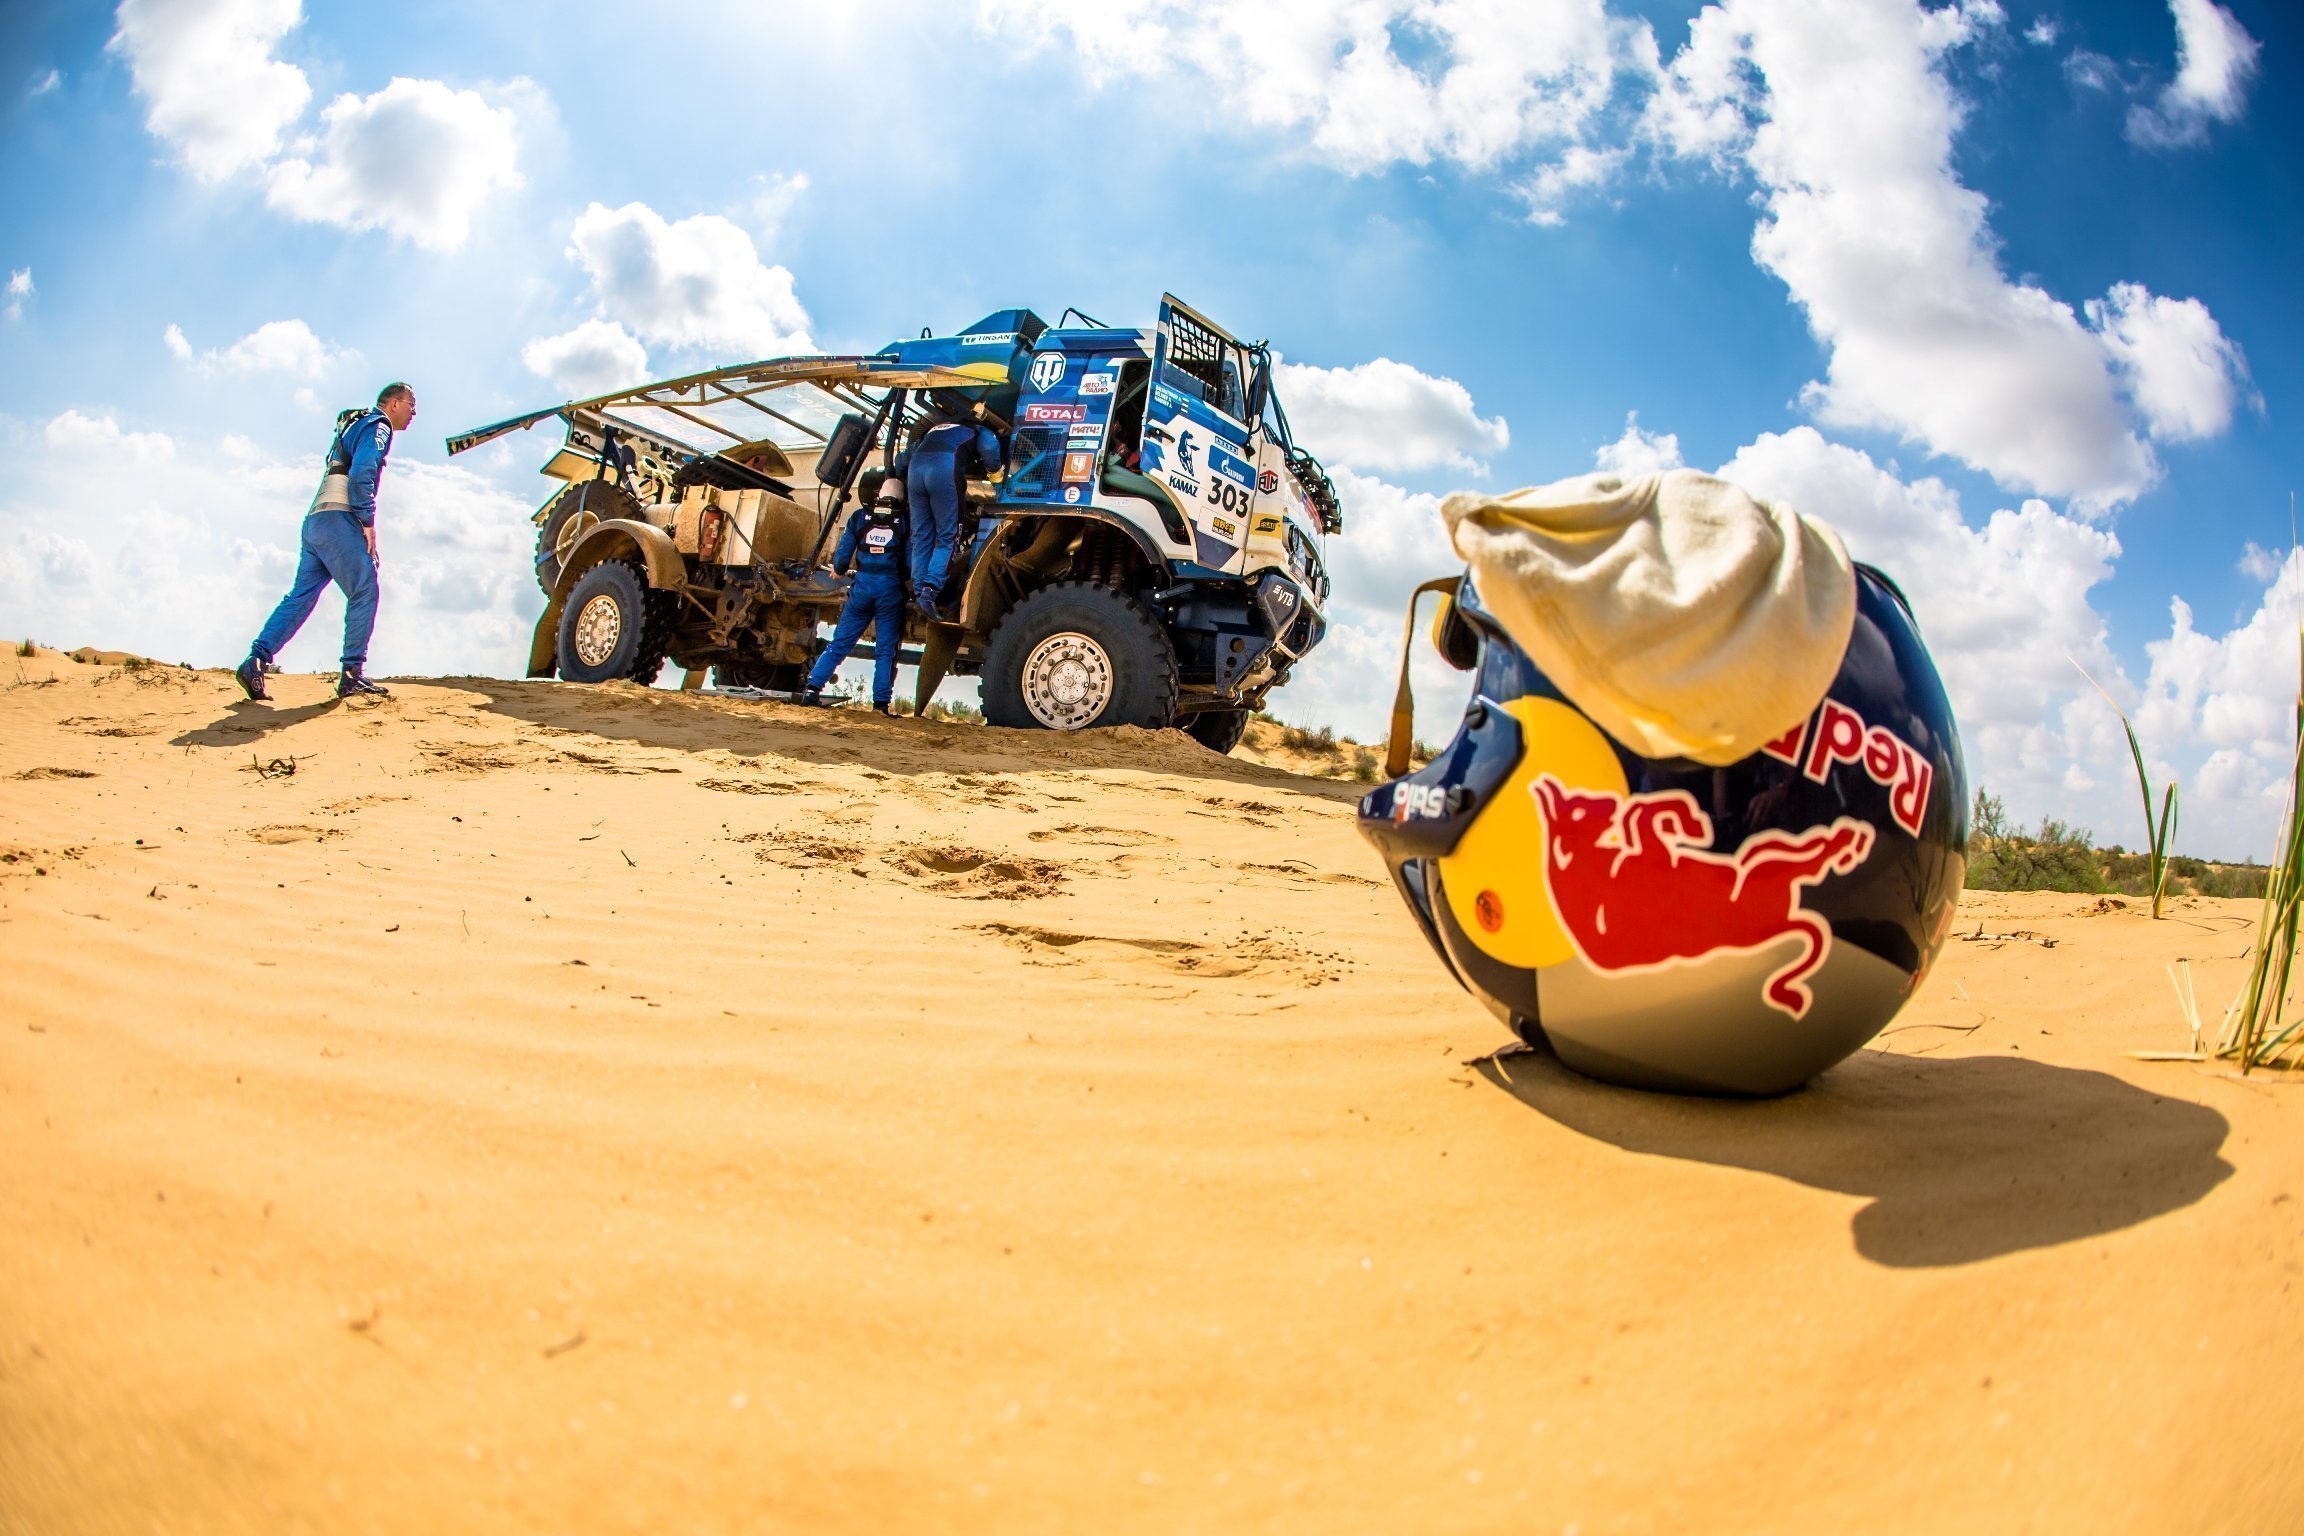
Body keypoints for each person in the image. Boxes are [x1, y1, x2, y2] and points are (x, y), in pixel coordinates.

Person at [236, 382, 415, 701]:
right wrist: (367, 520)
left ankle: (256, 661)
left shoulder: (353, 422)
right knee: (365, 588)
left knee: (301, 596)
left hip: (315, 520)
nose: (414, 413)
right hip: (339, 519)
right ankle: (351, 675)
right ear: (394, 404)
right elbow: (363, 472)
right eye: (411, 405)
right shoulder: (378, 424)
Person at [800, 476, 909, 714]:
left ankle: (811, 689)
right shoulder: (904, 522)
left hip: (862, 589)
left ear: (880, 493)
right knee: (885, 649)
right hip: (889, 592)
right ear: (902, 498)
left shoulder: (860, 517)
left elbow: (842, 554)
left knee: (840, 643)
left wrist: (839, 570)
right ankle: (880, 704)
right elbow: (911, 561)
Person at [903, 412, 1003, 621]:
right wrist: (995, 473)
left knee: (921, 537)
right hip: (942, 471)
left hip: (915, 471)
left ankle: (919, 591)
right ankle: (931, 592)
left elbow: (906, 454)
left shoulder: (935, 428)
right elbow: (989, 446)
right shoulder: (976, 429)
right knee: (947, 537)